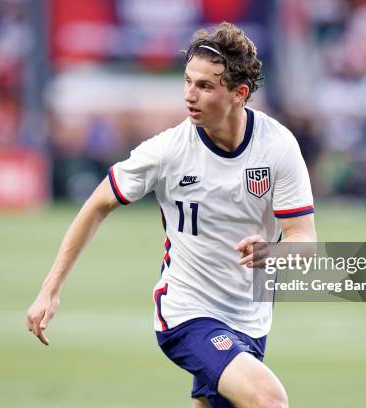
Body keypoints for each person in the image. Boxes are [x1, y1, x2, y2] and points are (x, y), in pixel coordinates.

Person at [26, 22, 316, 408]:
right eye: (187, 81)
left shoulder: (277, 147)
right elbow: (97, 204)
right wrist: (51, 287)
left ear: (239, 93)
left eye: (205, 86)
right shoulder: (167, 151)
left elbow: (303, 240)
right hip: (187, 312)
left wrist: (270, 253)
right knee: (269, 399)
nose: (189, 95)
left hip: (251, 318)